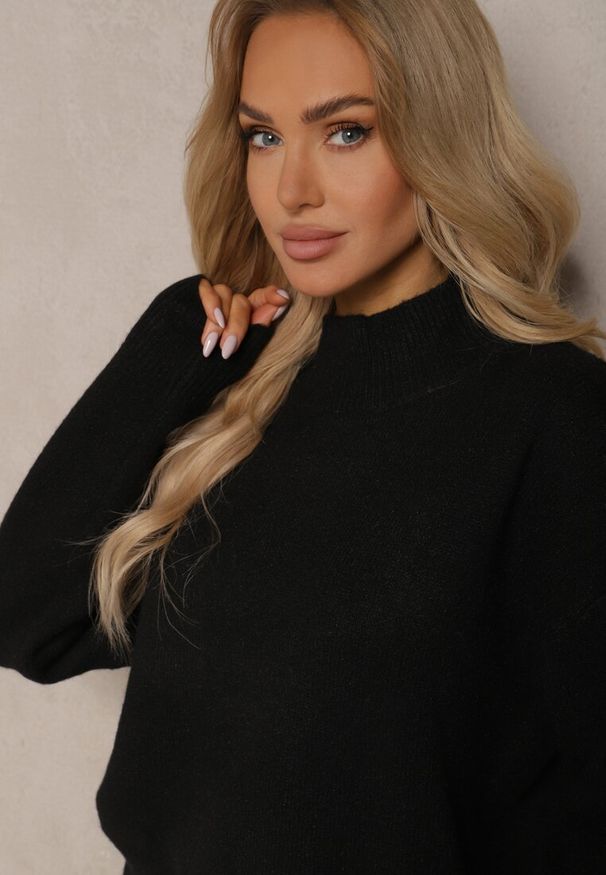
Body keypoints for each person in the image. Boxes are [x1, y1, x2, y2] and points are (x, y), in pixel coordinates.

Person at [1, 1, 605, 872]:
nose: (292, 191)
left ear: (442, 135)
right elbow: (27, 620)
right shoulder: (232, 383)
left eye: (347, 132)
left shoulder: (555, 412)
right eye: (264, 137)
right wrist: (176, 342)